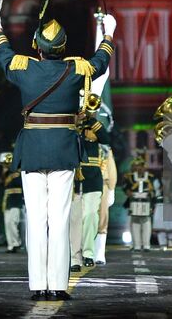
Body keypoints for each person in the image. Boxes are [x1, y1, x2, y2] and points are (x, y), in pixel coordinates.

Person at [0, 0, 114, 302]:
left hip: (32, 150)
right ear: (62, 48)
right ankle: (57, 285)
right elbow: (101, 62)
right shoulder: (75, 70)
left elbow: (3, 52)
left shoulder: (24, 67)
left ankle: (38, 285)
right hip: (62, 150)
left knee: (36, 218)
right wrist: (109, 32)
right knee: (58, 219)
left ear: (38, 48)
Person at [69, 94, 108, 271]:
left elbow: (107, 139)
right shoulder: (71, 125)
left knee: (91, 215)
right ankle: (74, 257)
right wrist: (76, 123)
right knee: (75, 218)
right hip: (73, 177)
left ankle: (88, 253)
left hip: (92, 177)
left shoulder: (93, 125)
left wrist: (91, 120)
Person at [124, 153, 158, 252]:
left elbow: (154, 191)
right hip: (134, 202)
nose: (139, 168)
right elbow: (126, 188)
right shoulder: (130, 177)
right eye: (137, 166)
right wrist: (129, 192)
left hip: (146, 202)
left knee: (146, 223)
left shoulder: (150, 177)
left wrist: (151, 196)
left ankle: (146, 245)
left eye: (141, 166)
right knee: (135, 223)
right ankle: (137, 245)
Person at [0, 152, 24, 252]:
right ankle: (11, 245)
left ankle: (16, 242)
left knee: (13, 221)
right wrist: (4, 171)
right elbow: (1, 183)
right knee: (7, 222)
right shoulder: (6, 173)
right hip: (8, 199)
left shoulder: (20, 172)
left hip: (17, 198)